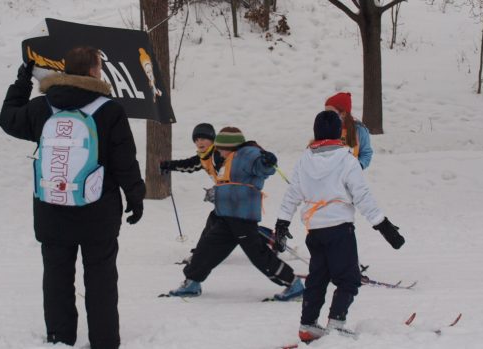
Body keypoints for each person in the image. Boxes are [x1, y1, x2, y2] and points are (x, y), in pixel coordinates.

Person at [0, 46, 146, 349]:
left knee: (56, 276)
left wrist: (21, 82)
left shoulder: (43, 106)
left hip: (52, 208)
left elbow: (8, 120)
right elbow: (123, 160)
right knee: (101, 278)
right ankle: (104, 341)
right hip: (98, 211)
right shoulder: (109, 109)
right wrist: (135, 195)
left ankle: (59, 337)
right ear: (94, 71)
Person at [274, 111, 405, 342]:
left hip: (315, 231)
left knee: (318, 278)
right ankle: (336, 323)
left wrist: (282, 223)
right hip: (340, 230)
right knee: (349, 278)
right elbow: (362, 196)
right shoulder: (346, 159)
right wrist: (383, 225)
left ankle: (308, 325)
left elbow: (292, 194)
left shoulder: (305, 159)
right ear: (338, 133)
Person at [168, 127, 304, 301]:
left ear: (230, 146)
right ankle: (193, 282)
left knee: (258, 254)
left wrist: (267, 161)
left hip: (242, 215)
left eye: (221, 149)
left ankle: (294, 284)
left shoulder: (248, 154)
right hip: (226, 215)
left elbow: (263, 168)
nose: (219, 153)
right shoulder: (229, 158)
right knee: (207, 248)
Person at [159, 123, 224, 263]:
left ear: (212, 140)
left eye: (203, 139)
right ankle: (271, 240)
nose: (199, 142)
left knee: (219, 223)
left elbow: (229, 175)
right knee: (238, 227)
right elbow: (189, 165)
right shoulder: (204, 156)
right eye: (196, 140)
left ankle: (201, 254)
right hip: (230, 198)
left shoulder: (217, 155)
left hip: (237, 197)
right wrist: (169, 165)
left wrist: (219, 191)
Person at [324, 92, 373, 170]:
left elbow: (366, 153)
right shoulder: (325, 128)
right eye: (325, 112)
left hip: (351, 176)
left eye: (330, 113)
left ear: (343, 114)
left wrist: (358, 167)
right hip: (331, 177)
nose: (326, 116)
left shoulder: (360, 130)